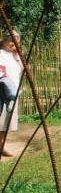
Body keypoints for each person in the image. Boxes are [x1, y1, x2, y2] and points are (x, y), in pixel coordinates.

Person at [0, 29, 23, 158]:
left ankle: (1, 145)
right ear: (4, 40)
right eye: (11, 41)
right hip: (3, 92)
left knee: (6, 123)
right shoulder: (1, 54)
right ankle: (1, 146)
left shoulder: (15, 56)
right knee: (1, 121)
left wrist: (17, 57)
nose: (13, 44)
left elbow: (23, 70)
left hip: (13, 93)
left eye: (16, 42)